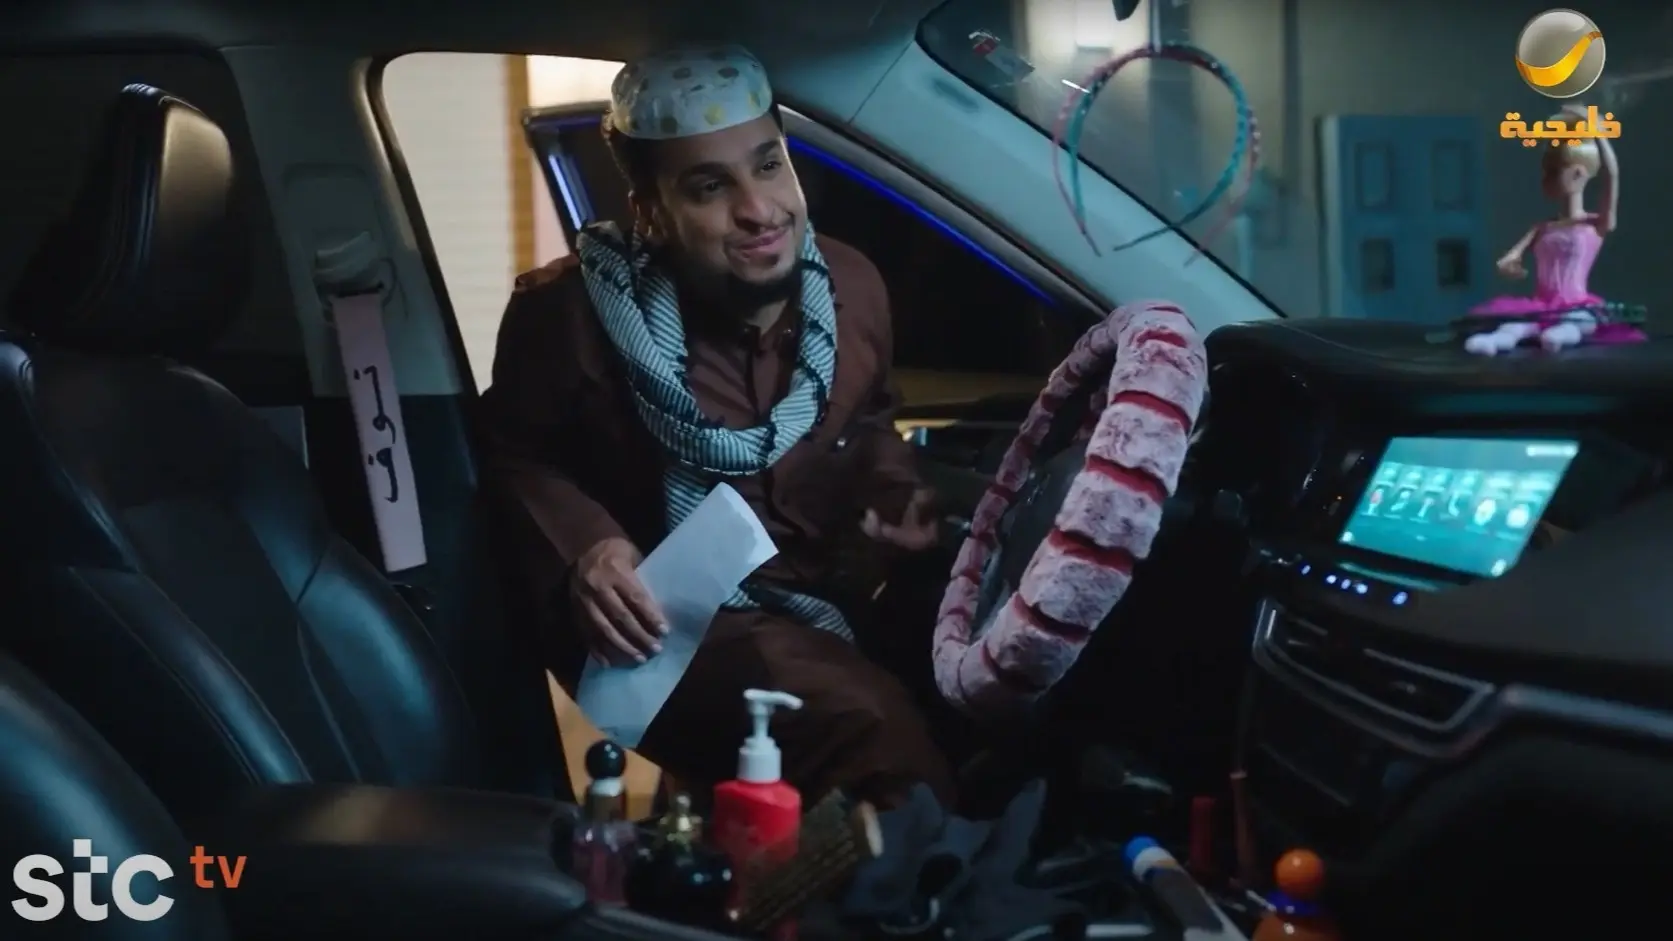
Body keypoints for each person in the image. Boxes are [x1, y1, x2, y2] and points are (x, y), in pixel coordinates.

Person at [479, 44, 956, 810]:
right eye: (710, 186)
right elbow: (516, 453)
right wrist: (588, 547)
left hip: (824, 593)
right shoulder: (565, 317)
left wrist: (895, 493)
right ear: (649, 209)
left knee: (972, 689)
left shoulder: (853, 286)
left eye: (768, 166)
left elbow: (869, 419)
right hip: (668, 622)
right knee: (871, 729)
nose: (759, 210)